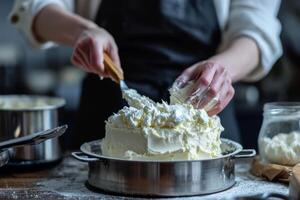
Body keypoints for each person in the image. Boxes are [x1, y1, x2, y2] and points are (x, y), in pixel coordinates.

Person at [10, 0, 282, 147]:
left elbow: (258, 30)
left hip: (205, 112)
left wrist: (223, 69)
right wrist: (83, 31)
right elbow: (33, 7)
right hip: (108, 112)